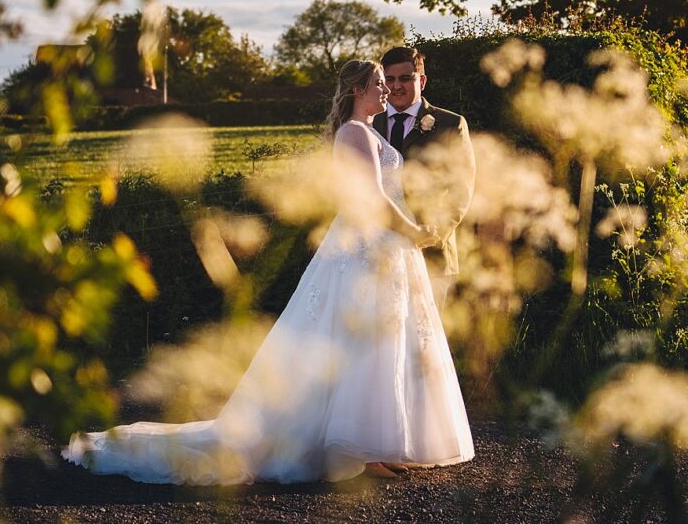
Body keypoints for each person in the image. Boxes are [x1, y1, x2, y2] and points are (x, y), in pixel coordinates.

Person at [62, 60, 475, 484]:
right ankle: (361, 451)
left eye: (387, 84)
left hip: (384, 245)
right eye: (377, 84)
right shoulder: (354, 133)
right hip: (368, 244)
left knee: (385, 338)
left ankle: (382, 446)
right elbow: (369, 196)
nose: (385, 90)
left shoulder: (367, 132)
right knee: (360, 340)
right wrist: (413, 231)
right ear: (356, 90)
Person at [373, 47, 475, 307]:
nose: (396, 86)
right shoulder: (370, 124)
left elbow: (462, 190)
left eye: (405, 78)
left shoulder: (450, 124)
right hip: (380, 253)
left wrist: (433, 234)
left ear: (422, 80)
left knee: (430, 340)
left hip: (431, 251)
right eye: (390, 80)